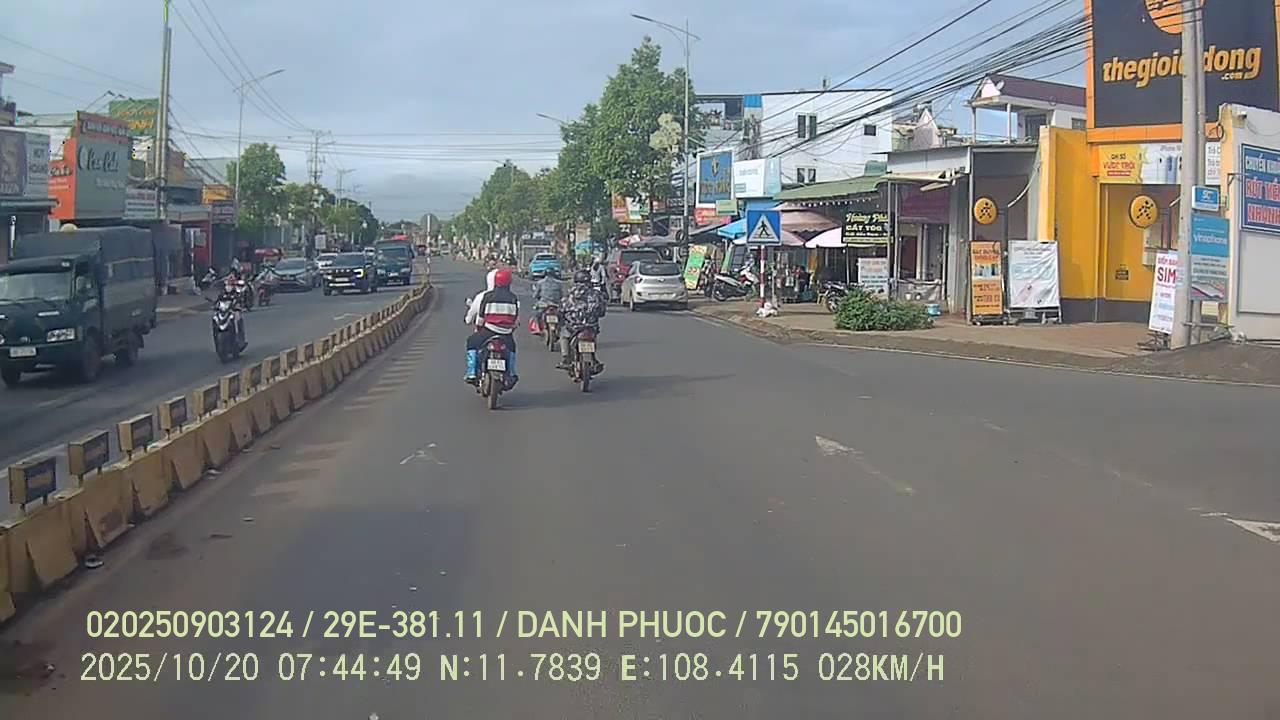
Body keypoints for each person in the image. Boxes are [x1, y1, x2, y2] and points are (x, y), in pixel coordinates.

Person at [463, 268, 520, 385]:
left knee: (471, 342)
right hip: (506, 333)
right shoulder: (513, 298)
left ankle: (471, 372)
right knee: (512, 348)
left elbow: (481, 316)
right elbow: (515, 318)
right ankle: (511, 373)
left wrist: (479, 326)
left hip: (489, 330)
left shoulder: (488, 296)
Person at [559, 269, 607, 373]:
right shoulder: (596, 293)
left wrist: (563, 318)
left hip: (573, 326)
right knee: (592, 336)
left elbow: (562, 309)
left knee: (564, 335)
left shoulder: (570, 293)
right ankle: (593, 358)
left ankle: (565, 358)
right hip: (591, 326)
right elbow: (602, 311)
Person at [531, 267, 564, 333]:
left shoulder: (540, 282)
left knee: (537, 315)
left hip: (544, 304)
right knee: (562, 317)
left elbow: (535, 295)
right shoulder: (559, 283)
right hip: (556, 304)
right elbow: (561, 295)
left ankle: (538, 329)